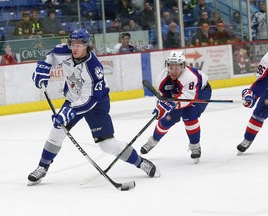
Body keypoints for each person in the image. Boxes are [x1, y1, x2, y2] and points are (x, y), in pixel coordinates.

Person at [28, 28, 160, 185]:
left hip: (97, 104)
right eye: (72, 44)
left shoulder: (93, 68)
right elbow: (50, 56)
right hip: (72, 99)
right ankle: (42, 167)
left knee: (107, 144)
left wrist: (68, 112)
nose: (74, 48)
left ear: (86, 46)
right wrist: (43, 67)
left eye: (79, 45)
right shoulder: (64, 51)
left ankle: (140, 162)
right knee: (57, 131)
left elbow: (89, 100)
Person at [140, 50, 212, 164]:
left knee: (189, 115)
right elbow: (162, 97)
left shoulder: (189, 77)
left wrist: (170, 104)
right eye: (171, 67)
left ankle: (195, 146)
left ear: (183, 66)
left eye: (176, 67)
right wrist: (161, 108)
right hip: (177, 93)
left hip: (201, 92)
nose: (173, 71)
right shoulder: (162, 78)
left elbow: (187, 98)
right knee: (167, 120)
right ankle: (153, 141)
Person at [237, 51, 268, 154]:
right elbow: (262, 81)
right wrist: (252, 95)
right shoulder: (266, 60)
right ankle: (248, 139)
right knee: (260, 113)